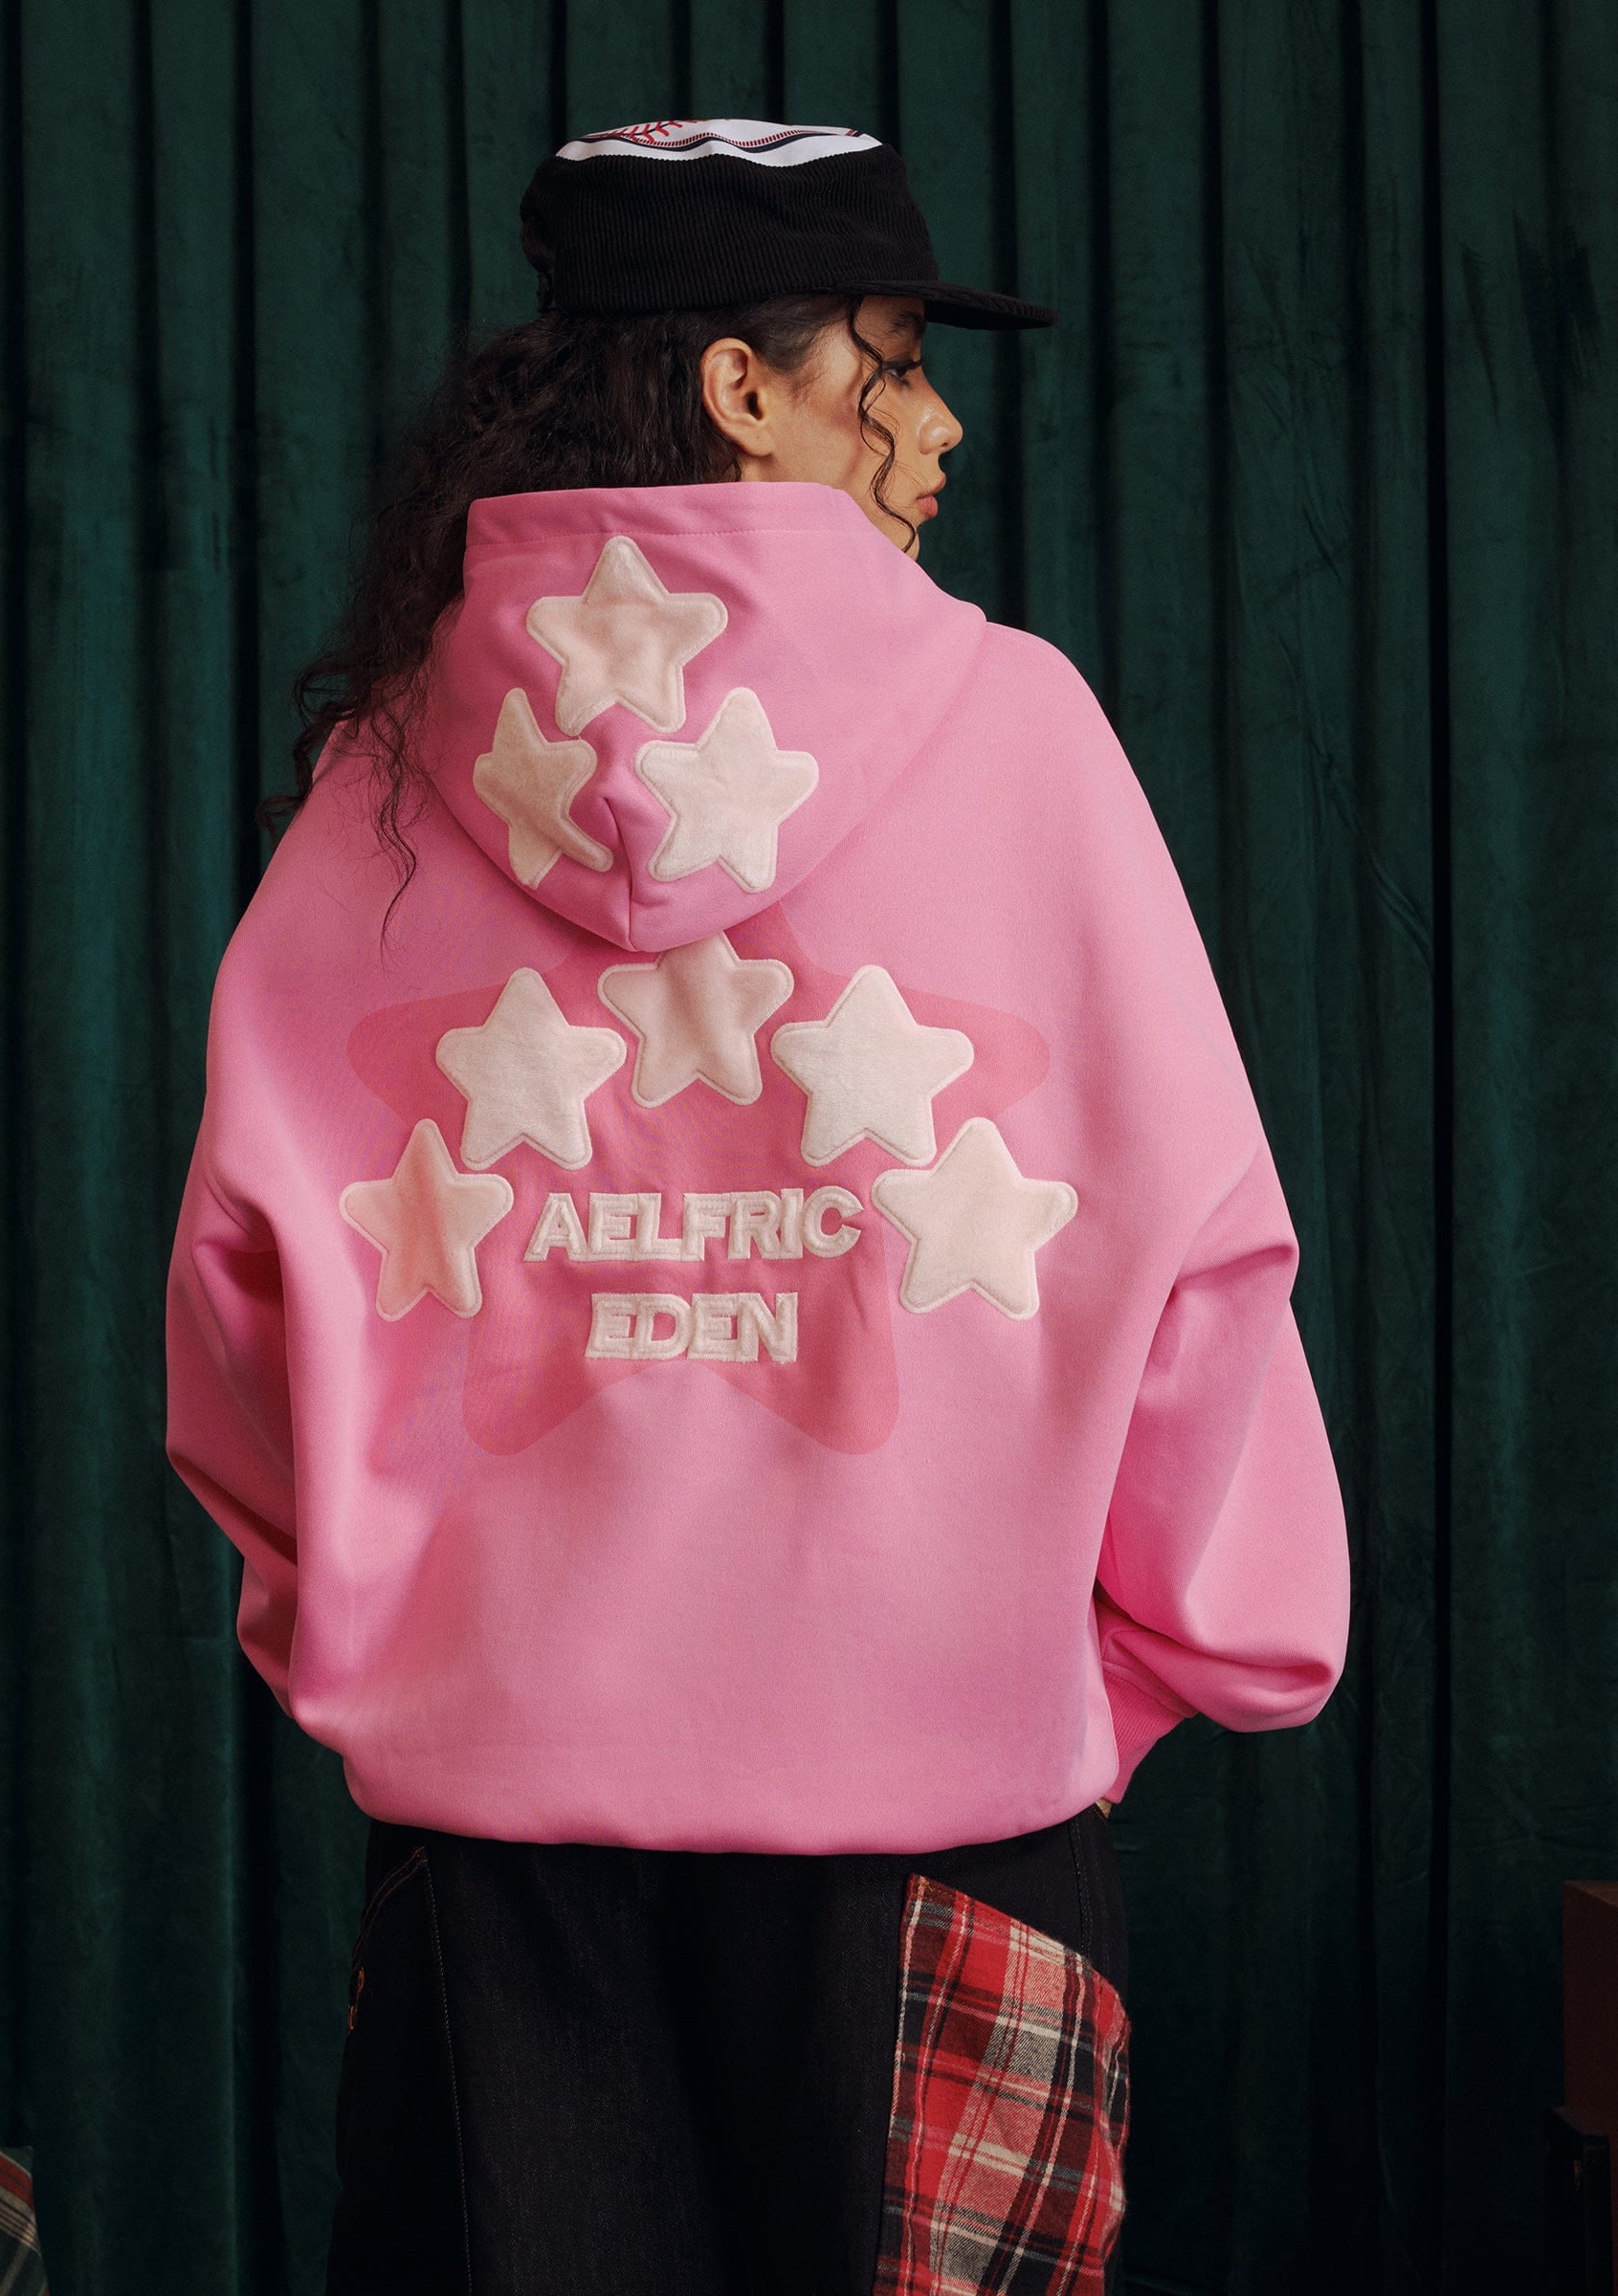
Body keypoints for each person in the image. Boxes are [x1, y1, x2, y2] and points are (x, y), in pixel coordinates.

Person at [166, 118, 1350, 2296]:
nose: (942, 421)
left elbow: (241, 1299)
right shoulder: (1025, 731)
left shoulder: (387, 775)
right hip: (946, 1827)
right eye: (892, 359)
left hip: (498, 1859)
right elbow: (1201, 1261)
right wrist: (1112, 1675)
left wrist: (404, 1648)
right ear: (742, 385)